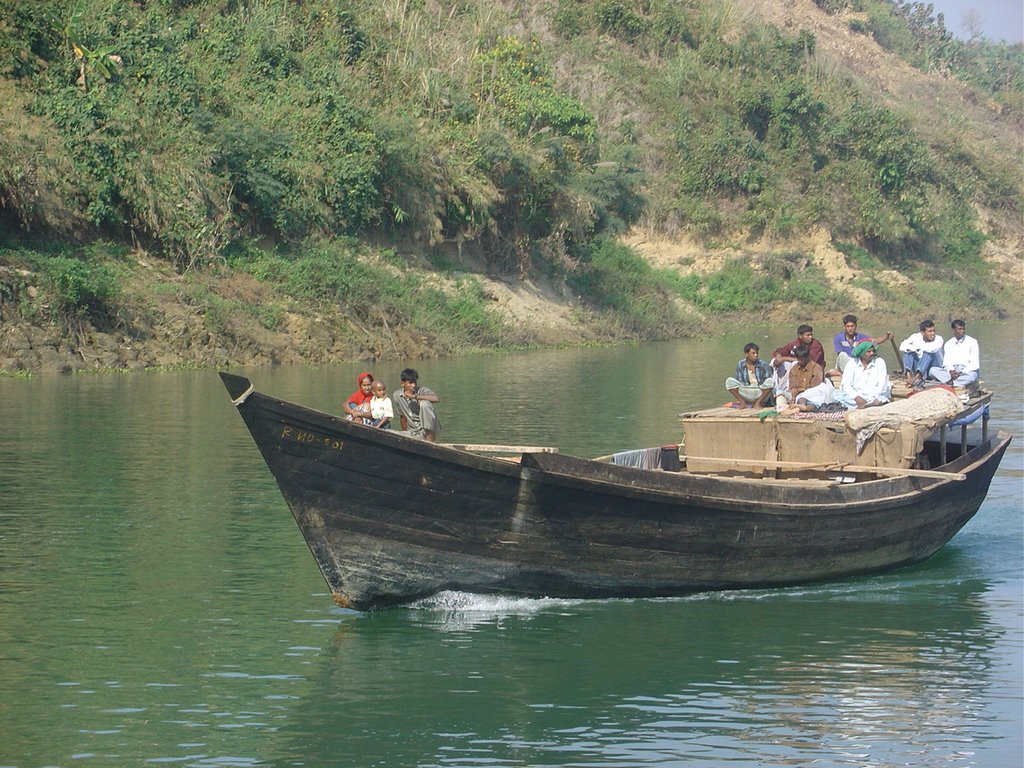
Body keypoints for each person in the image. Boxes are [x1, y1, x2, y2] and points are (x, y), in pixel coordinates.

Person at [835, 341, 890, 409]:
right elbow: (846, 384)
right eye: (868, 352)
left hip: (874, 395)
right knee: (838, 397)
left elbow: (881, 385)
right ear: (861, 353)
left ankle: (867, 405)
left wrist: (873, 398)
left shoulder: (879, 362)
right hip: (856, 395)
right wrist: (856, 397)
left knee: (880, 400)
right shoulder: (852, 363)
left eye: (873, 351)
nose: (872, 353)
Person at [393, 368, 441, 441]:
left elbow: (436, 398)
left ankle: (429, 442)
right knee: (388, 432)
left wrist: (415, 397)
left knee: (424, 403)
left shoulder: (422, 390)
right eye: (410, 383)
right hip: (415, 433)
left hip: (431, 431)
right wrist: (404, 435)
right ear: (403, 383)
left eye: (415, 382)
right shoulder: (397, 395)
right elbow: (402, 418)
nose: (413, 385)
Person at [930, 319, 980, 387]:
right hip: (953, 371)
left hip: (966, 370)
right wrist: (951, 371)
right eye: (959, 329)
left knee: (973, 376)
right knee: (932, 370)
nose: (962, 331)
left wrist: (961, 372)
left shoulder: (972, 342)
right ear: (953, 330)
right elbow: (947, 362)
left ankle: (953, 383)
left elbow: (974, 363)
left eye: (963, 329)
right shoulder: (948, 344)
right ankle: (955, 382)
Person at [725, 343, 774, 408]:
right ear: (746, 354)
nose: (756, 355)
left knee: (770, 381)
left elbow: (768, 383)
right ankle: (743, 402)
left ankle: (758, 402)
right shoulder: (740, 364)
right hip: (747, 390)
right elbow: (739, 381)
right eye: (753, 353)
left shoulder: (763, 364)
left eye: (757, 353)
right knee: (729, 381)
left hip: (759, 391)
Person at [899, 319, 944, 388]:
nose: (933, 333)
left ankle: (916, 378)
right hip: (920, 366)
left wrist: (917, 348)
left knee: (928, 353)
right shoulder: (915, 336)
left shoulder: (938, 339)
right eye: (930, 331)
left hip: (932, 369)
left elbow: (932, 349)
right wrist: (914, 349)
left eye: (934, 331)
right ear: (923, 333)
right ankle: (909, 376)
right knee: (908, 353)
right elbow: (902, 346)